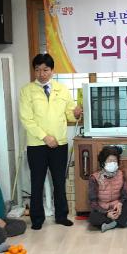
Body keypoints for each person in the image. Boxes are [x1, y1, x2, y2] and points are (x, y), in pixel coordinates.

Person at [19, 53, 82, 230]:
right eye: (37, 70)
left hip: (59, 144)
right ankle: (37, 219)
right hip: (37, 145)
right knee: (37, 182)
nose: (41, 74)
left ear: (52, 71)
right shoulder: (26, 90)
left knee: (59, 182)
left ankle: (61, 216)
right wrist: (45, 137)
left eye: (45, 70)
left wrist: (76, 114)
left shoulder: (62, 89)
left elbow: (69, 114)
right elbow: (26, 119)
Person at [88, 146, 127, 232]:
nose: (113, 163)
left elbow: (125, 194)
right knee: (93, 218)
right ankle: (123, 221)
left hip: (118, 207)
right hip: (103, 209)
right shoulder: (94, 178)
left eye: (115, 161)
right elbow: (93, 202)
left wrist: (120, 204)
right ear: (103, 162)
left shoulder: (121, 174)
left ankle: (113, 223)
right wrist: (106, 213)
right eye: (110, 161)